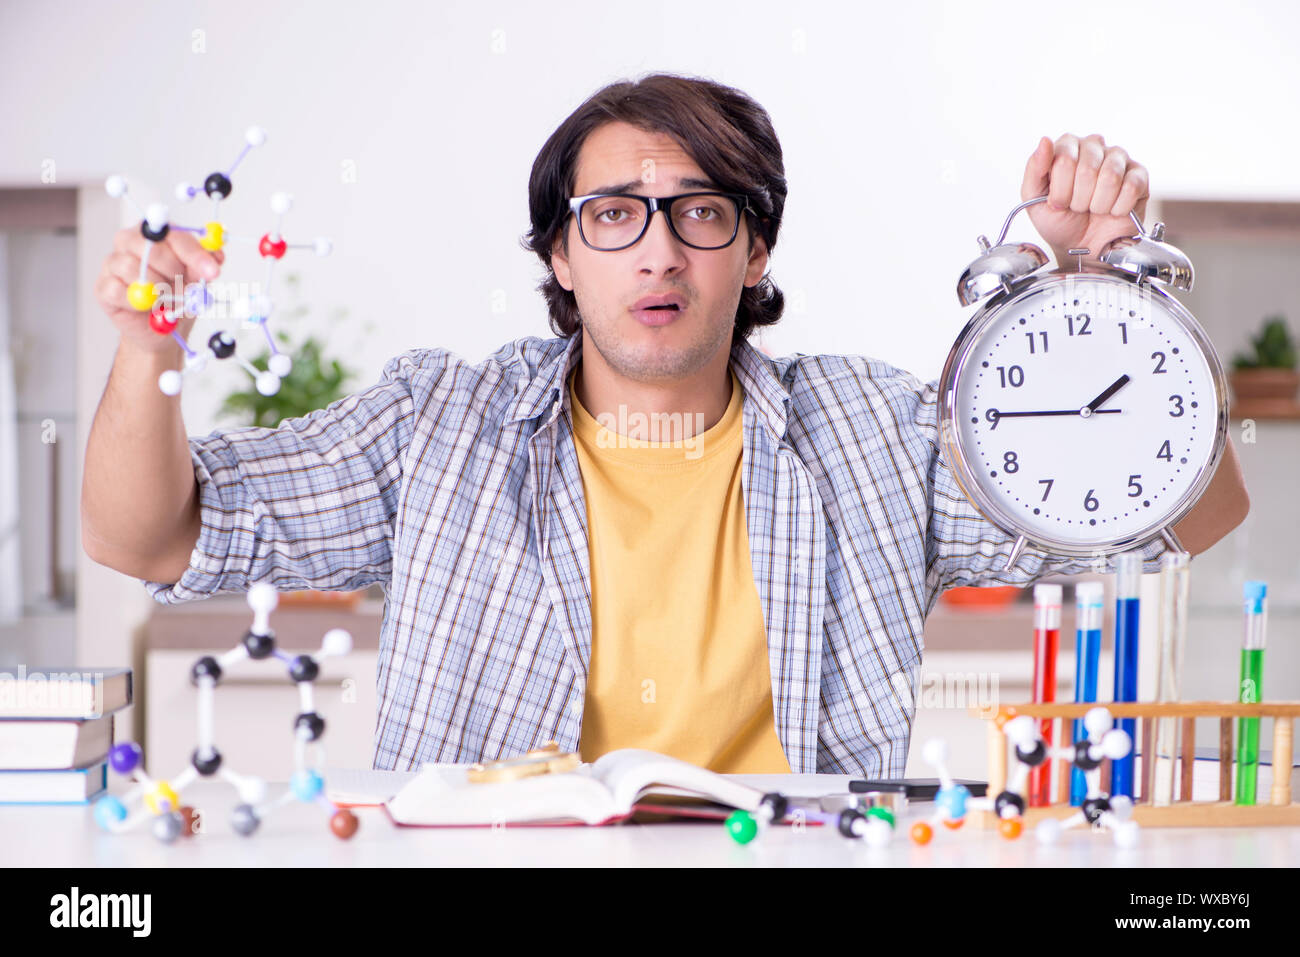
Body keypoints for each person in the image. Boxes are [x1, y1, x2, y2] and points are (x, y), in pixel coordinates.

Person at [83, 73, 1249, 777]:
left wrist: (1100, 295)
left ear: (753, 251)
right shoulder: (436, 424)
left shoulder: (880, 434)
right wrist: (150, 350)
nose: (656, 248)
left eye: (699, 211)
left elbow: (1189, 520)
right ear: (558, 252)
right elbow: (148, 539)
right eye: (612, 214)